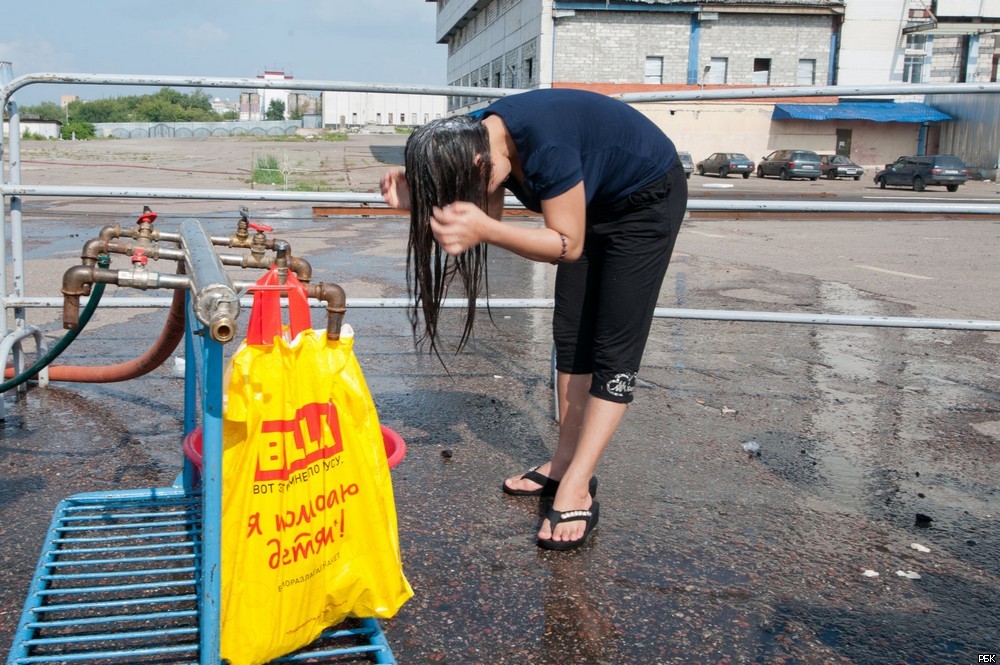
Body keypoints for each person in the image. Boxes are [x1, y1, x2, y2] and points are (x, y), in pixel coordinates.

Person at [381, 88, 687, 551]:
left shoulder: (547, 148)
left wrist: (483, 227)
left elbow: (566, 245)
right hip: (589, 202)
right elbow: (487, 215)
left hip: (644, 201)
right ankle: (564, 462)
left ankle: (579, 485)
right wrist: (419, 204)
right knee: (572, 335)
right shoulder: (475, 140)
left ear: (482, 167)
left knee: (613, 346)